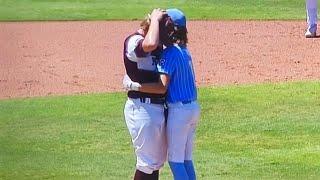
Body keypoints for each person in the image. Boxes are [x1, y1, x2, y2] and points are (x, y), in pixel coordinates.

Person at [124, 8, 200, 180]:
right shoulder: (184, 52)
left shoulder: (168, 54)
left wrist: (133, 86)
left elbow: (161, 87)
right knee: (185, 160)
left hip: (178, 112)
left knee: (174, 162)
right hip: (192, 109)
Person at [122, 8, 167, 180]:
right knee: (147, 163)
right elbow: (148, 45)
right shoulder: (134, 41)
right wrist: (155, 19)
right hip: (141, 107)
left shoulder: (158, 45)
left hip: (155, 107)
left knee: (154, 164)